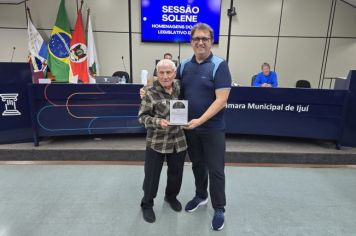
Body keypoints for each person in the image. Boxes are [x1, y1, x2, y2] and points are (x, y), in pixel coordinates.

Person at [140, 23, 231, 230]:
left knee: (216, 169)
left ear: (211, 41)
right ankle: (201, 195)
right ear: (191, 42)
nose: (200, 42)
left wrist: (201, 120)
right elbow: (169, 84)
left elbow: (222, 100)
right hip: (189, 129)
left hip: (212, 128)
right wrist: (146, 89)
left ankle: (219, 208)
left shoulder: (219, 65)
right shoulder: (184, 65)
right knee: (197, 165)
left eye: (205, 39)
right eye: (196, 39)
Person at [138, 59, 187, 223]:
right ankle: (147, 204)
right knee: (151, 176)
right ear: (156, 74)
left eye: (168, 72)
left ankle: (171, 197)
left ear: (174, 73)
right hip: (157, 141)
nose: (165, 76)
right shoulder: (150, 93)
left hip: (178, 140)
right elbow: (142, 117)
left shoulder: (180, 87)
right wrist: (157, 122)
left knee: (176, 174)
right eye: (161, 72)